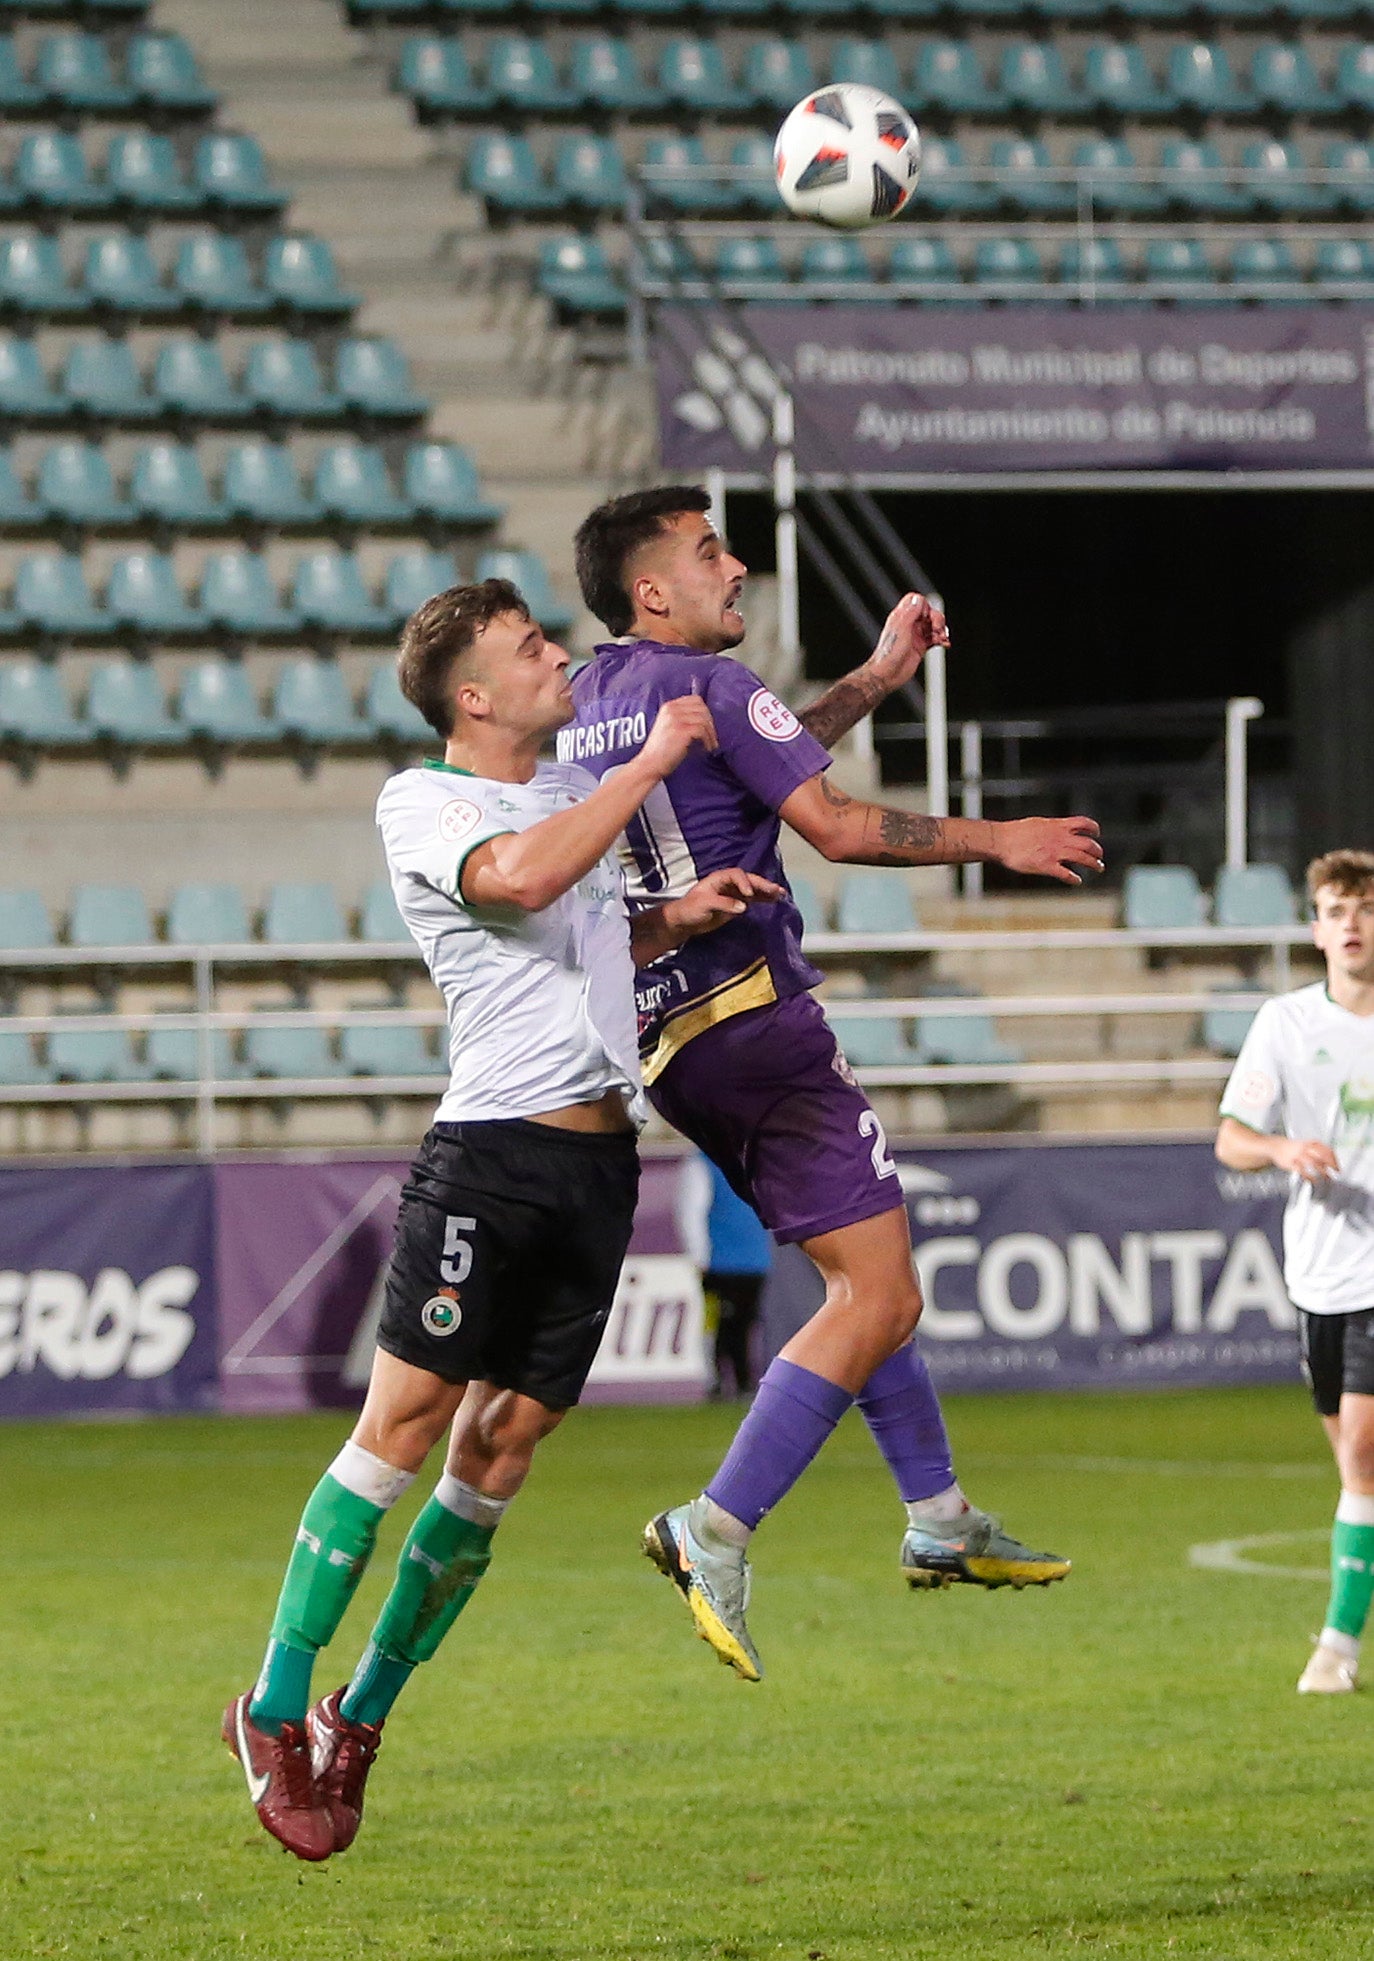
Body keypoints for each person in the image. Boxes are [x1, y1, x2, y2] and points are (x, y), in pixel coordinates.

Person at [222, 577, 781, 1859]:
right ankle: (270, 1706)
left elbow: (576, 927)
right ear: (473, 695)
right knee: (405, 1426)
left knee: (504, 1449)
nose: (556, 656)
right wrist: (647, 762)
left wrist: (666, 919)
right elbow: (521, 882)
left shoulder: (555, 793)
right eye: (531, 648)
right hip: (488, 1158)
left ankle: (358, 1720)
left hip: (598, 1164)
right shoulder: (429, 798)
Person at [565, 484, 1104, 1682]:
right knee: (881, 1300)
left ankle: (942, 1515)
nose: (736, 562)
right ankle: (715, 1528)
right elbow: (839, 825)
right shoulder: (703, 685)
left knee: (861, 1282)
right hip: (759, 1023)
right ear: (654, 588)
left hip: (671, 1042)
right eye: (709, 551)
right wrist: (1000, 836)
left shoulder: (600, 697)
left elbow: (756, 762)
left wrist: (870, 679)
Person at [1216, 848, 1374, 1696]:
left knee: (1361, 1446)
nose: (1351, 923)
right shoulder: (1285, 1023)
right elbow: (1231, 1137)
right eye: (1336, 909)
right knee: (1357, 1466)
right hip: (1320, 1272)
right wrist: (1282, 1148)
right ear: (1316, 929)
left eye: (1366, 907)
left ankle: (1336, 1648)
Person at [678, 1149, 773, 1396]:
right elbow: (691, 1214)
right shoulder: (702, 1164)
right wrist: (700, 1256)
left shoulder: (755, 1163)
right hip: (720, 1264)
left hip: (754, 1262)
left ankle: (743, 1381)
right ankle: (716, 1381)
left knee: (745, 1323)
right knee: (720, 1323)